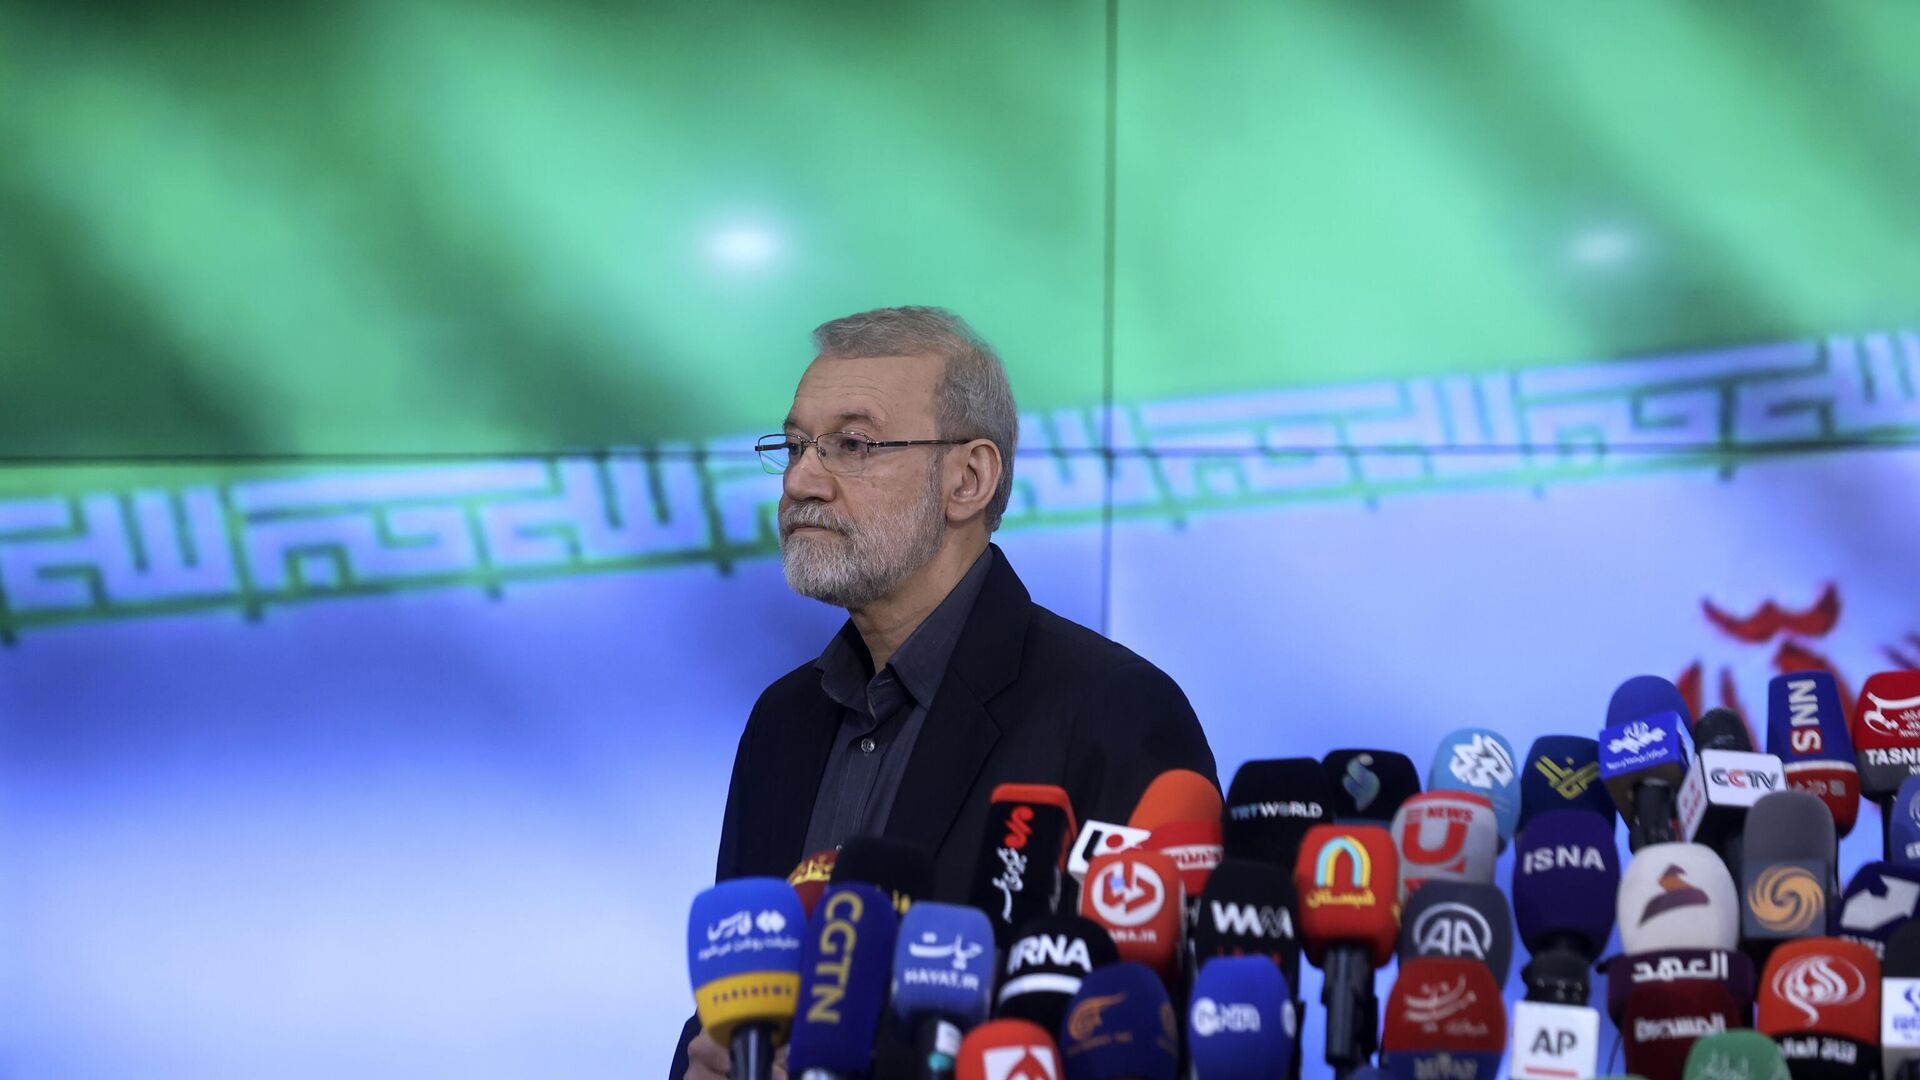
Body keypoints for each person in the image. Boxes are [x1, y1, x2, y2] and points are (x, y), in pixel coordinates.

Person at [677, 307, 1215, 1078]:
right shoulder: (782, 722)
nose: (800, 481)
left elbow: (1141, 1038)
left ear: (968, 479)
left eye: (852, 445)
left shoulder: (1114, 713)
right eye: (795, 446)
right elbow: (728, 1008)